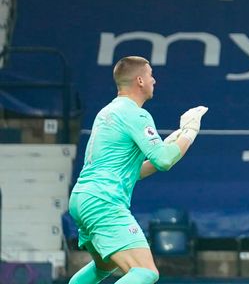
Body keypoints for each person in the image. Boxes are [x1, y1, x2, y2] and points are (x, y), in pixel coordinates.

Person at [68, 56, 208, 284]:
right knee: (145, 272)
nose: (155, 80)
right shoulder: (136, 114)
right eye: (151, 75)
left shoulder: (107, 112)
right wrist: (190, 133)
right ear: (140, 80)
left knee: (105, 265)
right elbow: (164, 160)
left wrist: (175, 139)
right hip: (104, 201)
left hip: (82, 199)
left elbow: (134, 172)